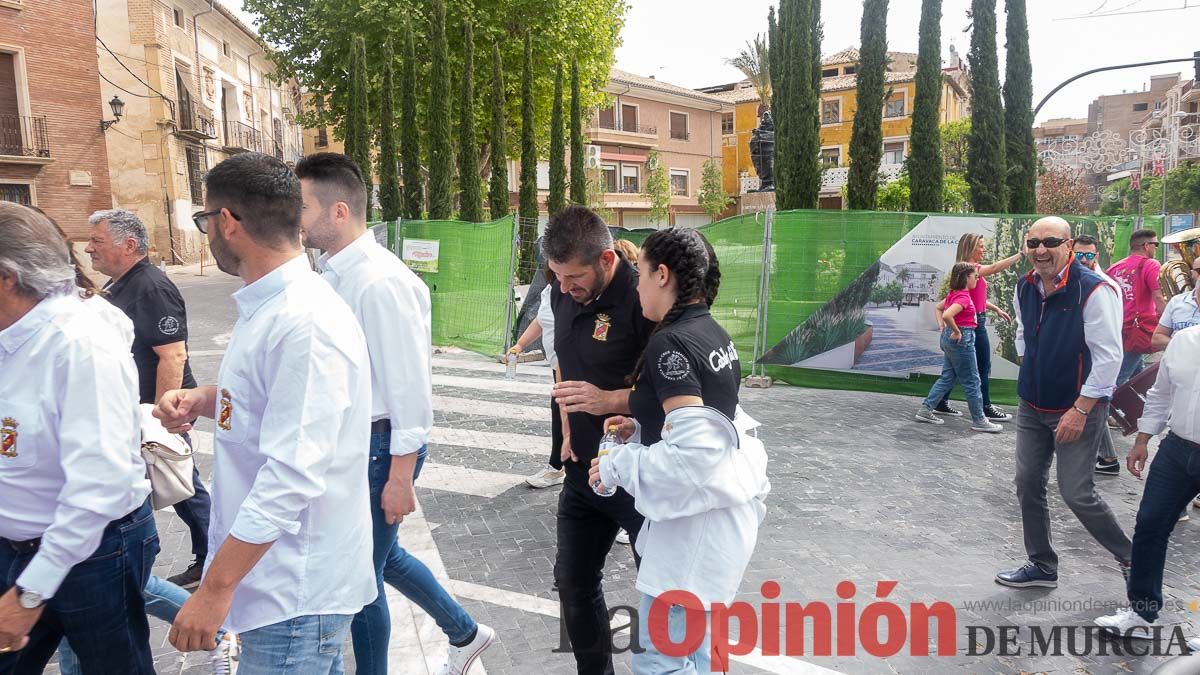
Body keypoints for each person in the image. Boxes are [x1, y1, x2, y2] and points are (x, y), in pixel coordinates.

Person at [153, 152, 376, 673]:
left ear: (226, 222)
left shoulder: (304, 321)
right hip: (276, 583)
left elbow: (290, 477)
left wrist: (214, 589)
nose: (207, 231)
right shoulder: (274, 307)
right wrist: (210, 399)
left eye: (205, 220)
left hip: (292, 589)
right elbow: (278, 408)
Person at [296, 153, 494, 675]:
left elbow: (409, 390)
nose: (293, 218)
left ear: (338, 211)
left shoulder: (380, 282)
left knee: (360, 575)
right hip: (359, 445)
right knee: (381, 559)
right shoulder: (332, 273)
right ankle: (465, 633)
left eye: (302, 206)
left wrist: (400, 476)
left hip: (382, 446)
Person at [588, 229, 769, 672]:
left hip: (694, 537)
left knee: (659, 663)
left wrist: (616, 465)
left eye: (641, 275)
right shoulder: (711, 332)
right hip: (719, 524)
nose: (637, 286)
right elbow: (712, 418)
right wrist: (643, 423)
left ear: (662, 274)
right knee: (701, 653)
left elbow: (693, 459)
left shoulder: (670, 342)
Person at [0, 202, 158, 672]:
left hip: (95, 550)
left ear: (7, 276)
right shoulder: (13, 333)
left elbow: (98, 486)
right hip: (19, 543)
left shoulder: (79, 345)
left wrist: (32, 591)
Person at [545, 205, 653, 675]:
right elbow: (564, 362)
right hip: (583, 472)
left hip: (640, 475)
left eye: (574, 278)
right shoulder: (561, 293)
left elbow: (674, 396)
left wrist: (607, 400)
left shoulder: (644, 300)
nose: (565, 288)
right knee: (572, 582)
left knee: (661, 588)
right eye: (557, 277)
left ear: (607, 260)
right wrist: (568, 428)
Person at [996, 217, 1131, 589]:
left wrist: (1080, 409)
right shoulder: (1024, 287)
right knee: (1027, 483)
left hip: (1077, 408)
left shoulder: (1095, 290)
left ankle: (1134, 558)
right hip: (1032, 404)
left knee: (1076, 492)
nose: (1041, 250)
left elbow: (1108, 359)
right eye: (1033, 243)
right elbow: (1023, 334)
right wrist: (1033, 370)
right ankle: (1041, 564)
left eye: (1050, 242)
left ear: (1068, 246)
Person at [83, 208, 211, 589]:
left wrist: (159, 420)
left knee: (183, 485)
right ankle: (207, 555)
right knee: (180, 487)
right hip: (135, 411)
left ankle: (211, 558)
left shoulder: (150, 286)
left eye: (97, 241)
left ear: (130, 244)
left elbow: (172, 354)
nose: (89, 249)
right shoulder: (119, 284)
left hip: (156, 411)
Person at [1093, 325, 1200, 644]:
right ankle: (1141, 613)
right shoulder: (1184, 341)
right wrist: (1142, 439)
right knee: (1150, 523)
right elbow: (1161, 394)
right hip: (1177, 448)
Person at [933, 233, 1023, 421]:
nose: (984, 249)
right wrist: (1021, 254)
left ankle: (940, 402)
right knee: (981, 366)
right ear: (971, 248)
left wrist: (995, 308)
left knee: (955, 368)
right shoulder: (972, 269)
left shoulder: (964, 271)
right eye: (980, 246)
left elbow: (975, 299)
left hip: (974, 321)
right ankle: (985, 406)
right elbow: (996, 267)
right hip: (973, 325)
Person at [914, 262, 1004, 433]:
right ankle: (979, 420)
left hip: (952, 340)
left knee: (948, 377)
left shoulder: (954, 294)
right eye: (974, 276)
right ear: (965, 277)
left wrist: (944, 328)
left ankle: (926, 410)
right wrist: (955, 330)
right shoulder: (962, 297)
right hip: (962, 340)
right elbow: (947, 314)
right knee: (972, 381)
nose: (977, 278)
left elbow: (940, 308)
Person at [515, 265, 569, 490]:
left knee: (565, 412)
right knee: (559, 410)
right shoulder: (551, 289)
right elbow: (540, 321)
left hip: (569, 364)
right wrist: (519, 346)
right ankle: (559, 465)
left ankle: (561, 466)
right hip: (557, 364)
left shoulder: (571, 290)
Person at [1106, 228, 1167, 386]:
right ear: (1147, 245)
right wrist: (1170, 321)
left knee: (1138, 377)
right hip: (1137, 331)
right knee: (1116, 381)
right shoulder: (1150, 264)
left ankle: (1139, 406)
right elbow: (1158, 297)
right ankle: (1099, 409)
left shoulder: (1113, 268)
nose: (1155, 248)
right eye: (1156, 244)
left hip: (1117, 329)